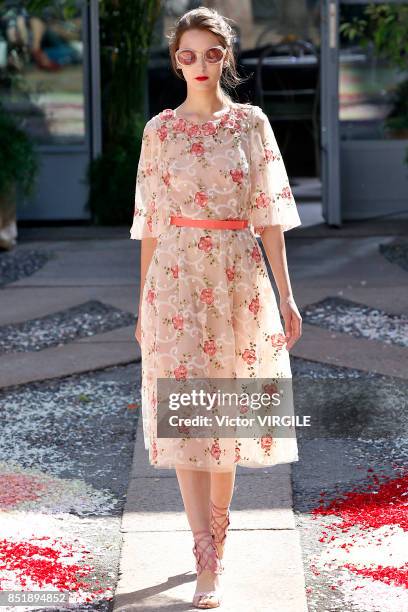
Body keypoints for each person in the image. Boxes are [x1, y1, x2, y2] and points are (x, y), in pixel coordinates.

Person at [130, 7, 302, 609]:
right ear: (175, 60)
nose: (198, 65)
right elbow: (149, 223)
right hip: (175, 280)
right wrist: (141, 300)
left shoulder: (251, 125)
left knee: (223, 414)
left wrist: (286, 294)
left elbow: (271, 215)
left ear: (225, 57)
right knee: (186, 416)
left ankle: (219, 544)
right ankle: (201, 551)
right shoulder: (160, 132)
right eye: (187, 54)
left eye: (210, 54)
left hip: (236, 274)